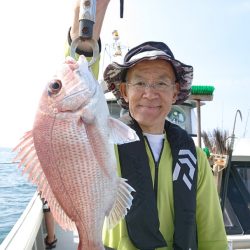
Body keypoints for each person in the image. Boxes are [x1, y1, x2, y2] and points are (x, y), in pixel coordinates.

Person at [67, 1, 228, 249]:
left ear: (175, 93)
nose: (150, 94)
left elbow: (213, 237)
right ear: (124, 91)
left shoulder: (194, 158)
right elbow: (73, 81)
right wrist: (88, 17)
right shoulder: (103, 144)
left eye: (161, 84)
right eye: (140, 83)